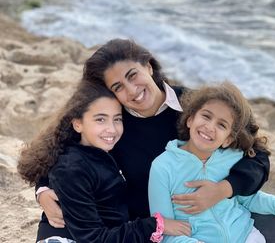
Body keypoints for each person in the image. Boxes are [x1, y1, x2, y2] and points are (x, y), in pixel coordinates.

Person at [33, 38, 275, 241]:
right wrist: (43, 189)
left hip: (220, 210)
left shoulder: (199, 106)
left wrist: (224, 189)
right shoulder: (114, 123)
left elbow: (257, 154)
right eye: (118, 87)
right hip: (150, 224)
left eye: (132, 75)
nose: (132, 90)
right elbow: (65, 147)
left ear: (148, 65)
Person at [17, 81, 191, 242]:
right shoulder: (72, 167)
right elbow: (93, 238)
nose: (111, 129)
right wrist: (156, 225)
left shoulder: (101, 150)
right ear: (77, 124)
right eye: (100, 119)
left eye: (117, 119)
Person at [148, 82, 275, 243]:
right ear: (190, 119)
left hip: (248, 236)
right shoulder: (163, 167)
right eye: (206, 116)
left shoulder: (231, 158)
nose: (210, 127)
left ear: (228, 139)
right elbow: (163, 229)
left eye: (221, 125)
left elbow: (249, 199)